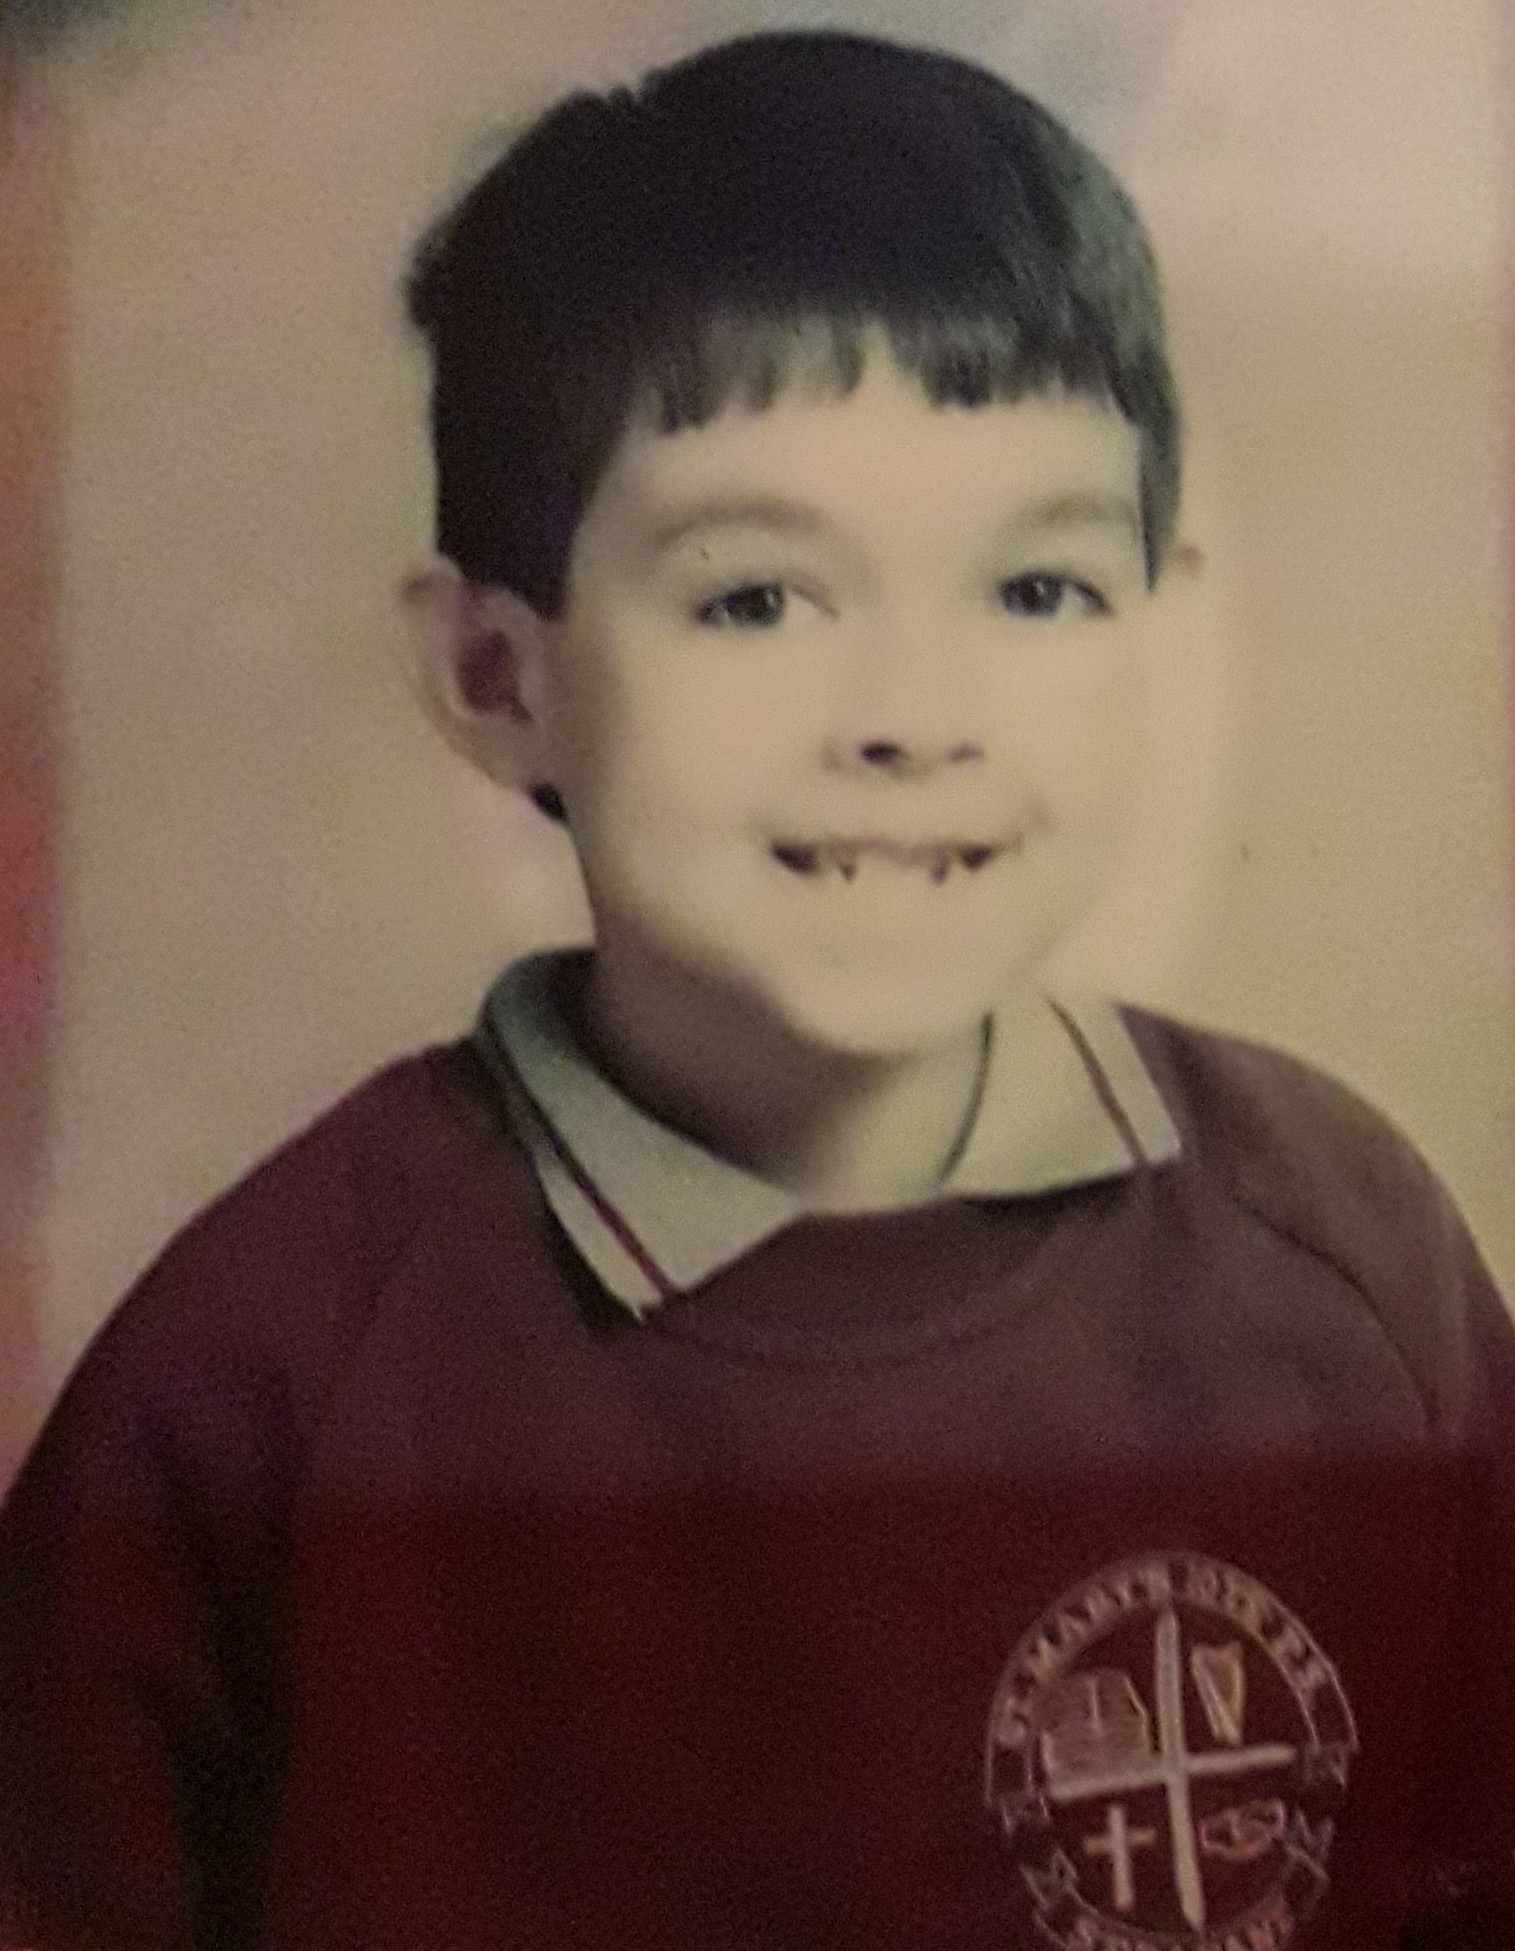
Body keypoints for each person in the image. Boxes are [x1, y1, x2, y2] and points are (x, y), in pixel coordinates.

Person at [1, 27, 1510, 1951]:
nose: (914, 718)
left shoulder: (1347, 1258)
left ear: (1155, 625)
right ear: (494, 676)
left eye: (1036, 589)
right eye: (756, 598)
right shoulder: (255, 1390)